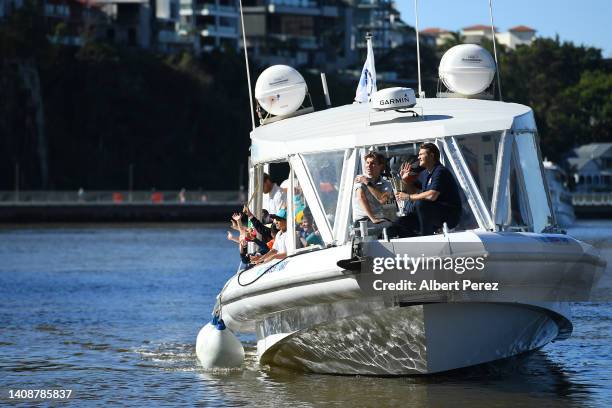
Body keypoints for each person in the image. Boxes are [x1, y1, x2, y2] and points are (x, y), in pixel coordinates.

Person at [390, 143, 461, 237]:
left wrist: (408, 197)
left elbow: (432, 195)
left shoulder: (440, 171)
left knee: (421, 204)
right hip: (432, 213)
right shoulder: (425, 174)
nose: (418, 157)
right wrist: (405, 181)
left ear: (431, 155)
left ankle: (426, 237)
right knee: (401, 222)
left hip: (449, 216)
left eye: (421, 154)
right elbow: (415, 193)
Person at [352, 151, 394, 236]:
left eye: (372, 163)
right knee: (391, 228)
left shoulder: (386, 183)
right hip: (363, 221)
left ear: (381, 166)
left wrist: (367, 183)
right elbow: (361, 197)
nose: (369, 166)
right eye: (367, 163)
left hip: (380, 219)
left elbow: (383, 200)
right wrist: (373, 218)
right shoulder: (360, 179)